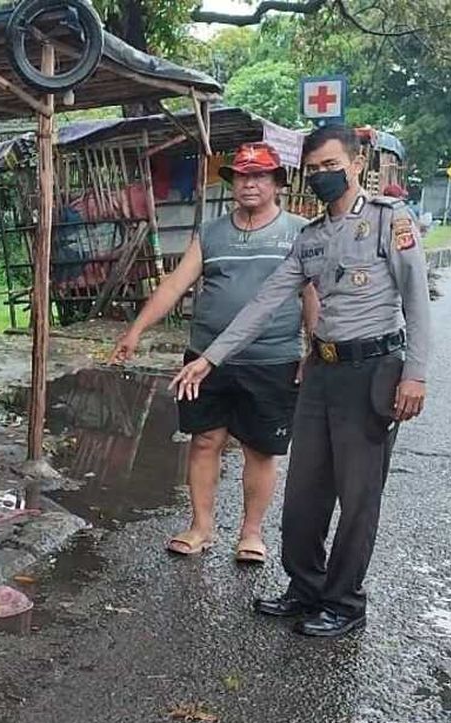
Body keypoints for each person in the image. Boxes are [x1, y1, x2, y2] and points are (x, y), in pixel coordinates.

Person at [170, 124, 432, 638]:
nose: (322, 176)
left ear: (356, 164)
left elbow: (416, 300)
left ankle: (345, 602)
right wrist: (212, 359)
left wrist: (415, 375)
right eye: (313, 170)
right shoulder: (311, 238)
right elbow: (265, 302)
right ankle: (305, 588)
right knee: (306, 490)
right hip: (320, 371)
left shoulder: (388, 221)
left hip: (374, 371)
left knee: (357, 495)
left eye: (332, 166)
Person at [110, 142, 319, 564]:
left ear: (277, 183)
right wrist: (135, 330)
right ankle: (202, 527)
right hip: (204, 357)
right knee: (205, 440)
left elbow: (312, 292)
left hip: (272, 358)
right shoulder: (212, 232)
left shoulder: (300, 232)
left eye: (260, 176)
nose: (250, 184)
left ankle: (252, 533)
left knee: (260, 448)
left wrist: (312, 347)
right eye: (242, 176)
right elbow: (174, 285)